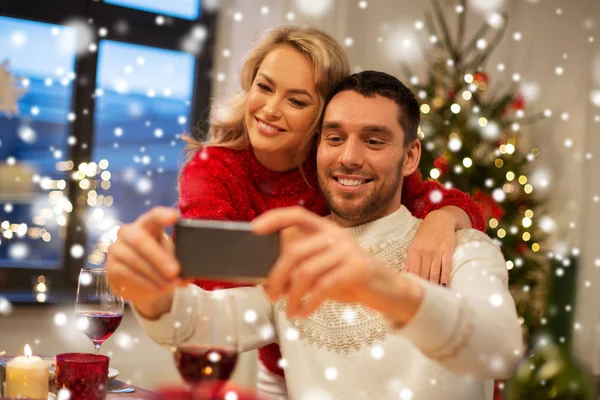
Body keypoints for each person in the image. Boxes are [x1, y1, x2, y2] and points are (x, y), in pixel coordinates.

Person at [106, 27, 485, 397]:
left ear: (322, 117)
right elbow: (214, 287)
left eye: (297, 101)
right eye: (264, 87)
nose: (270, 110)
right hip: (281, 356)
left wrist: (443, 219)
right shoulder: (214, 169)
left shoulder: (337, 167)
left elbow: (440, 200)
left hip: (347, 355)